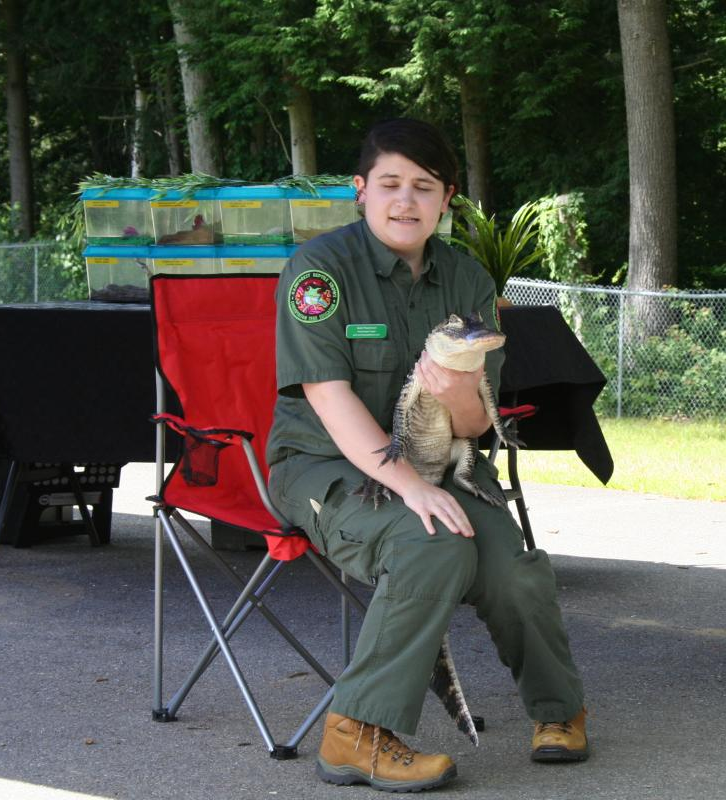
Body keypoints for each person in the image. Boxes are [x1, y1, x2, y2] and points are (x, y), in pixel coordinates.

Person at [266, 118, 587, 793]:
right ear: (360, 191)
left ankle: (560, 712)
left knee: (511, 565)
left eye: (423, 187)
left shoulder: (468, 279)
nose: (405, 201)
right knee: (432, 542)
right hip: (327, 467)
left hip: (445, 462)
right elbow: (328, 399)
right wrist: (410, 485)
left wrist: (461, 390)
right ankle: (355, 732)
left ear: (447, 199)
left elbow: (477, 422)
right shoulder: (318, 272)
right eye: (389, 184)